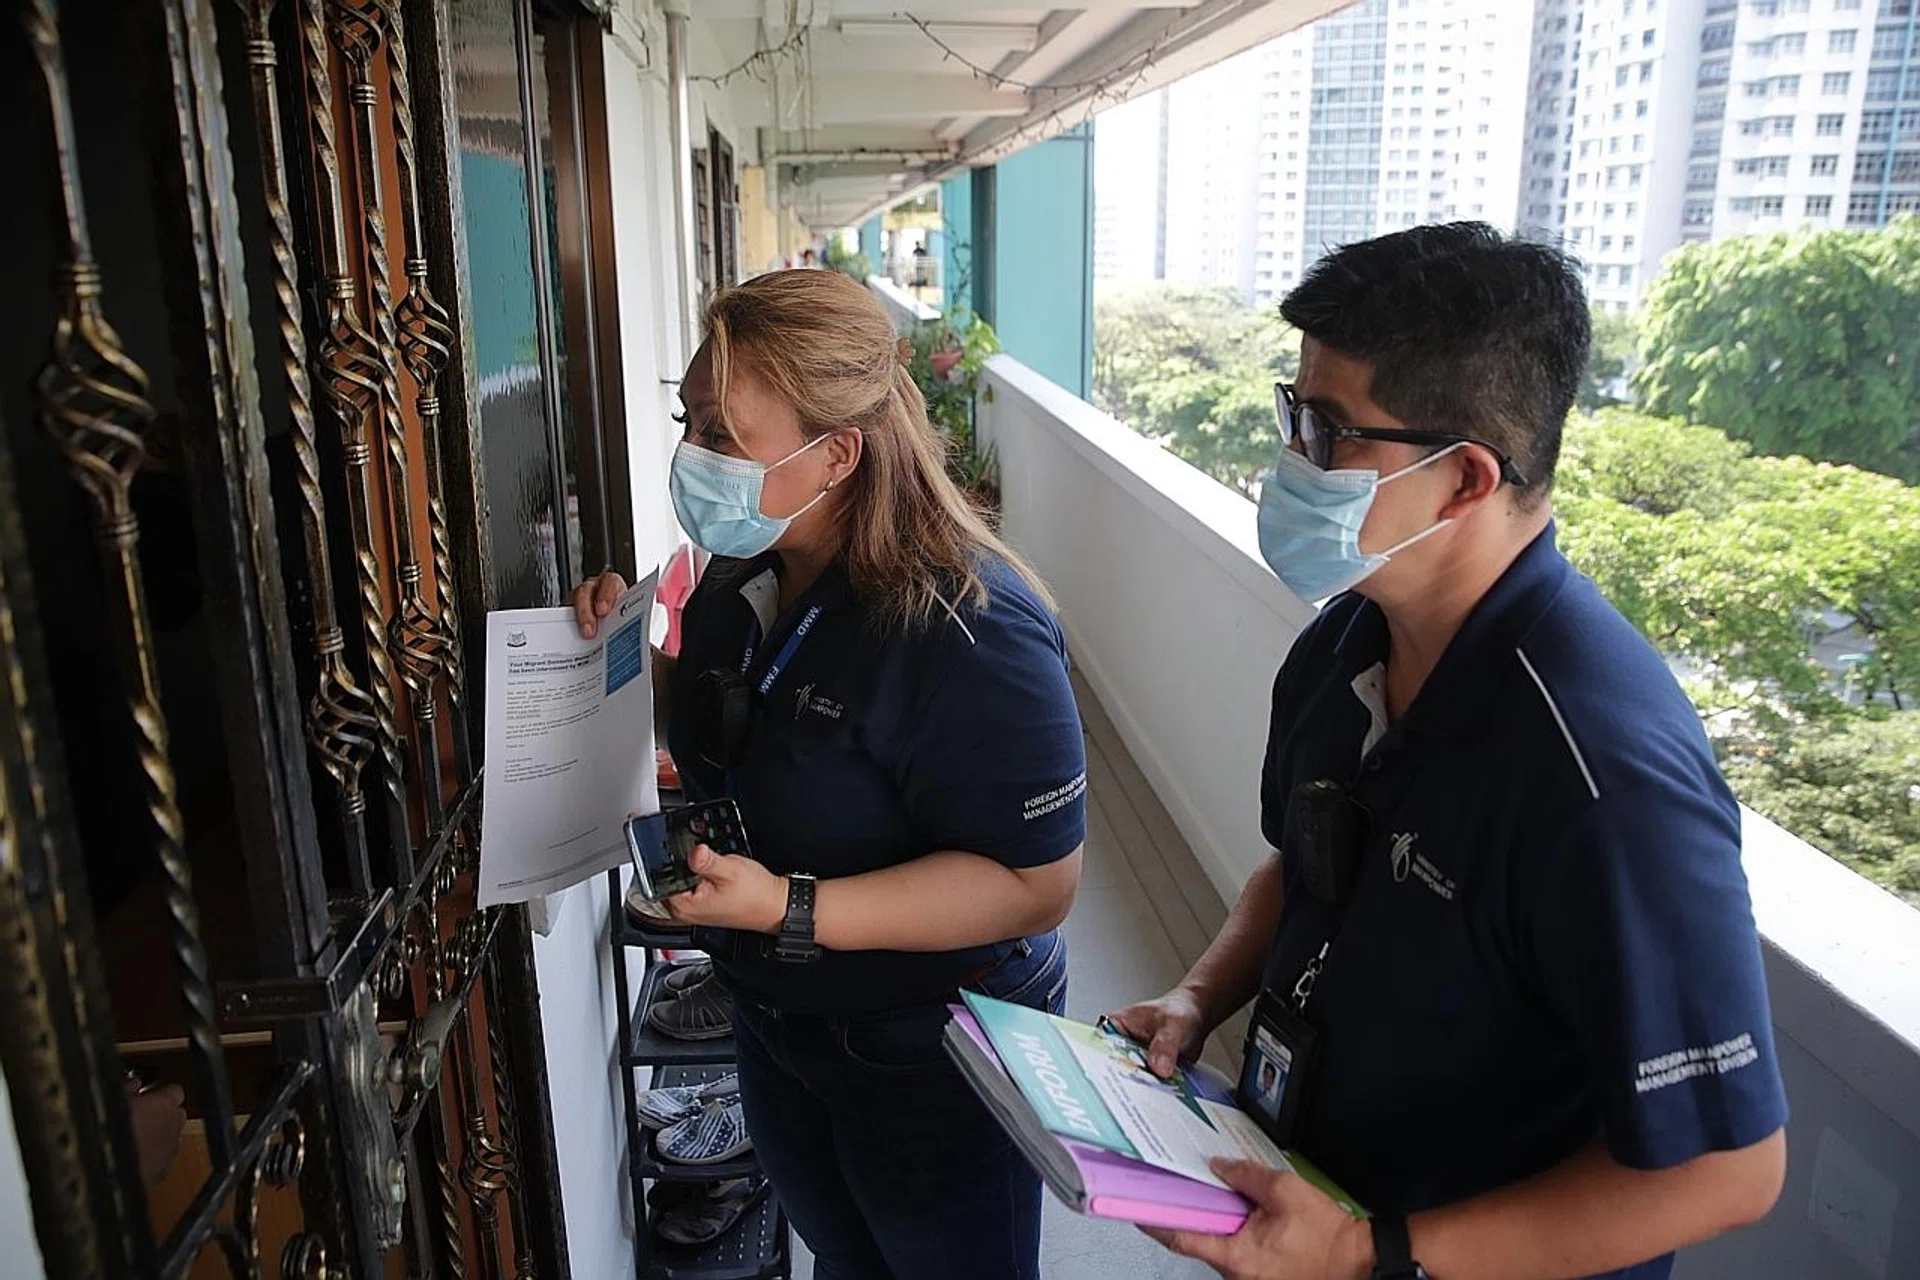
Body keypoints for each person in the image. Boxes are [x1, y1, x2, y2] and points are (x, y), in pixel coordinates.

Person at [1112, 223, 1787, 1280]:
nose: (1293, 461)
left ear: (1467, 478)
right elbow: (1301, 868)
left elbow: (1730, 1167)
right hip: (1306, 1207)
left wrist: (1371, 1252)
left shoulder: (1602, 773)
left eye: (1328, 432)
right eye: (1293, 412)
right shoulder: (1345, 642)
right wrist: (1200, 997)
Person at [573, 269, 1086, 1280]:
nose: (692, 456)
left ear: (838, 453)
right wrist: (623, 658)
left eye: (723, 434)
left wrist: (789, 906)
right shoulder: (745, 566)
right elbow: (729, 714)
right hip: (777, 1017)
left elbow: (1038, 883)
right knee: (846, 1258)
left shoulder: (968, 627)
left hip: (931, 1045)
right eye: (690, 421)